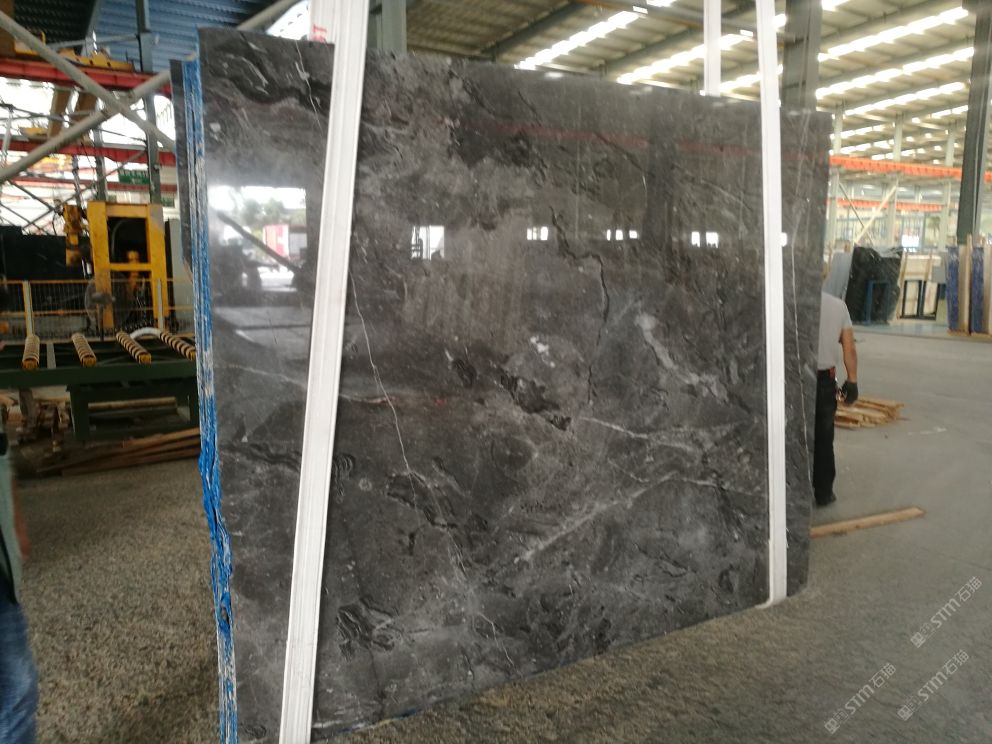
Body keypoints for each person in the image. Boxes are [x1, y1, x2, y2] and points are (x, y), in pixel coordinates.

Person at [815, 291, 859, 507]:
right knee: (824, 437)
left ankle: (790, 490)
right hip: (824, 380)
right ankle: (823, 492)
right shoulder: (838, 306)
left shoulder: (788, 300)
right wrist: (852, 380)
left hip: (793, 377)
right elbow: (849, 348)